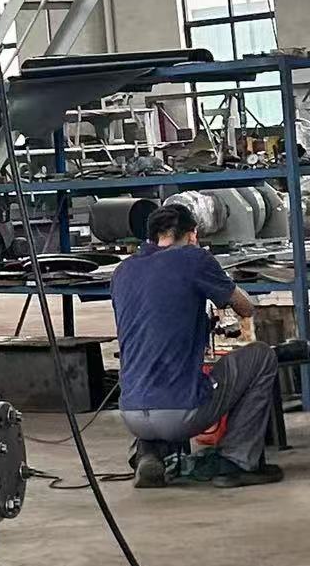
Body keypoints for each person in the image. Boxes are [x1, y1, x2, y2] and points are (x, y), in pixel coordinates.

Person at [112, 201, 281, 490]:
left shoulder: (122, 271)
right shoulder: (193, 258)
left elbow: (153, 323)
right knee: (262, 357)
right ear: (192, 235)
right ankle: (239, 460)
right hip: (179, 413)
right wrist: (222, 283)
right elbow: (245, 307)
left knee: (149, 371)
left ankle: (148, 453)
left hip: (130, 413)